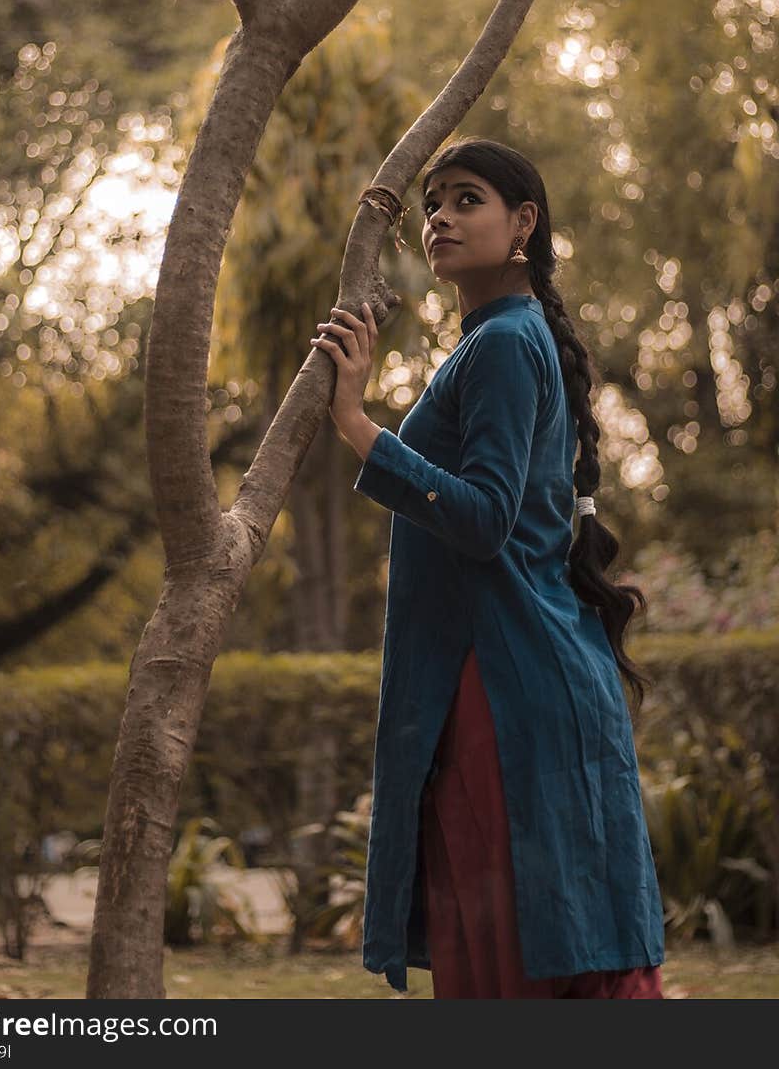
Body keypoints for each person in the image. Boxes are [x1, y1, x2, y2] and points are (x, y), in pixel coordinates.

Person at [310, 138, 665, 999]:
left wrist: (357, 424)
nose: (439, 219)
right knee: (536, 946)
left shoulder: (506, 344)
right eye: (432, 204)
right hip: (519, 676)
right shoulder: (505, 339)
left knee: (519, 956)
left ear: (523, 225)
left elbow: (481, 520)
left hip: (504, 691)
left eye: (466, 200)